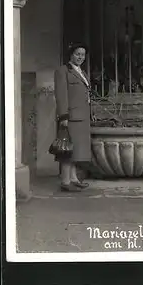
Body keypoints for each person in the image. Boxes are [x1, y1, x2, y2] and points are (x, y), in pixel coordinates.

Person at [54, 43, 92, 192]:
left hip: (82, 117)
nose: (80, 57)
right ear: (71, 54)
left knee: (75, 150)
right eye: (77, 54)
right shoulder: (63, 71)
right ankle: (65, 181)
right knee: (67, 150)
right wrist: (63, 116)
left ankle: (74, 179)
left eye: (83, 55)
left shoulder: (81, 72)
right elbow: (61, 95)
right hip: (71, 117)